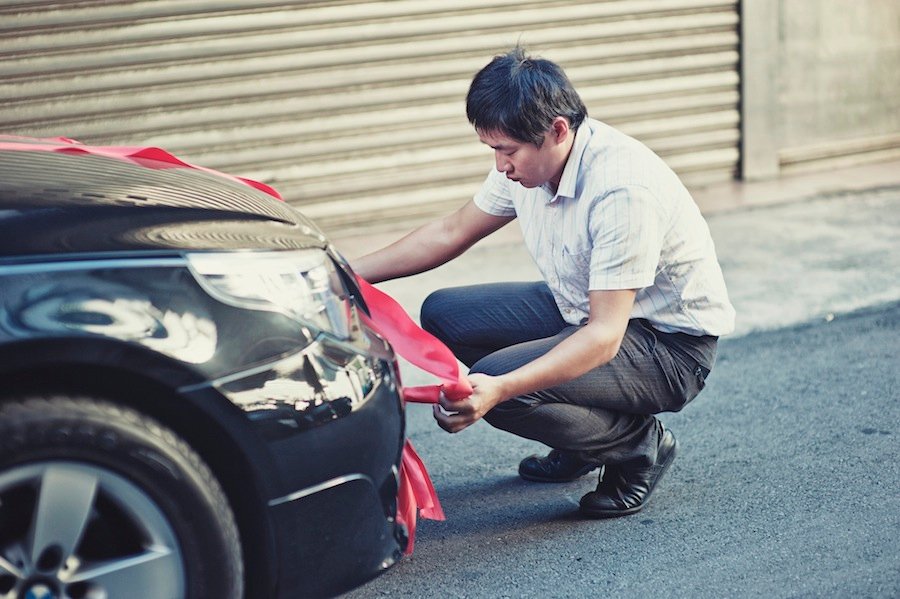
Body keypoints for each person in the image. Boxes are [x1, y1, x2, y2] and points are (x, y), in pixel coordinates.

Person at [352, 47, 735, 518]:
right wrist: (345, 273)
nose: (500, 166)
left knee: (498, 390)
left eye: (507, 151)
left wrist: (501, 388)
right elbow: (451, 231)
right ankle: (579, 435)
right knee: (444, 314)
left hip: (668, 349)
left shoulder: (621, 191)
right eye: (493, 149)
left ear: (557, 130)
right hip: (581, 307)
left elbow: (602, 337)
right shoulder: (529, 167)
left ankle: (638, 447)